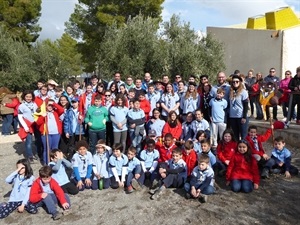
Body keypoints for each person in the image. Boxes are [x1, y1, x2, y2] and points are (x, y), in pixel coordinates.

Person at [35, 99, 64, 164]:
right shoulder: (42, 113)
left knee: (55, 149)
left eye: (51, 106)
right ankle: (46, 162)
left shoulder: (56, 112)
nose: (50, 107)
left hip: (56, 133)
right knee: (47, 149)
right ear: (45, 106)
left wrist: (54, 103)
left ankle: (55, 162)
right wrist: (42, 116)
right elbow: (38, 123)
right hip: (46, 134)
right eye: (48, 106)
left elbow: (61, 110)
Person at [17, 90, 42, 162]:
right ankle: (30, 156)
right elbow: (20, 117)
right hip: (27, 125)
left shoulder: (34, 104)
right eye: (27, 97)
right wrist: (25, 127)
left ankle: (38, 153)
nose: (28, 98)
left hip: (35, 124)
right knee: (29, 142)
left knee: (38, 140)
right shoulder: (21, 106)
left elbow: (37, 113)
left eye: (30, 97)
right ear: (24, 97)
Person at [228, 75, 249, 140]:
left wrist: (244, 117)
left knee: (243, 135)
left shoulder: (243, 92)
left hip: (241, 116)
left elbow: (246, 105)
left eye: (237, 82)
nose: (235, 83)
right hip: (233, 116)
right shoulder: (230, 91)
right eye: (233, 82)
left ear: (240, 82)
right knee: (235, 135)